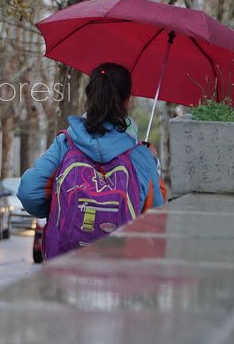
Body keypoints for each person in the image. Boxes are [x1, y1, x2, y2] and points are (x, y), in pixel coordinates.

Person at [18, 62, 165, 248]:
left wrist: (62, 209)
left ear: (88, 96)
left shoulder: (66, 144)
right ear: (127, 100)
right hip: (119, 266)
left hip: (65, 264)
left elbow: (28, 192)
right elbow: (157, 218)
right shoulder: (141, 155)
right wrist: (150, 160)